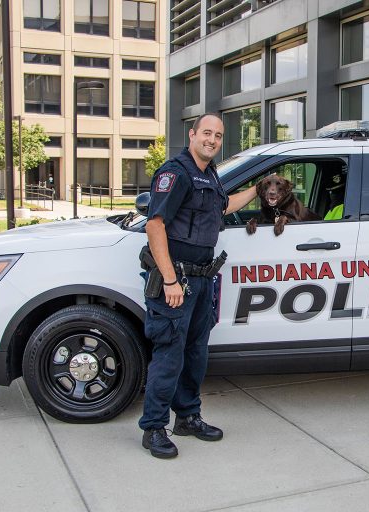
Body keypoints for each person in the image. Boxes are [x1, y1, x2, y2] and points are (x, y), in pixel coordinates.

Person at [139, 113, 256, 459]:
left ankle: (188, 417)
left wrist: (257, 188)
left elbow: (223, 207)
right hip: (176, 281)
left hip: (202, 279)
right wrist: (170, 280)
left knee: (195, 355)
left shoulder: (210, 174)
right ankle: (154, 428)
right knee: (169, 356)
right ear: (192, 135)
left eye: (218, 136)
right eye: (207, 133)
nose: (212, 140)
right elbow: (155, 225)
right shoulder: (176, 173)